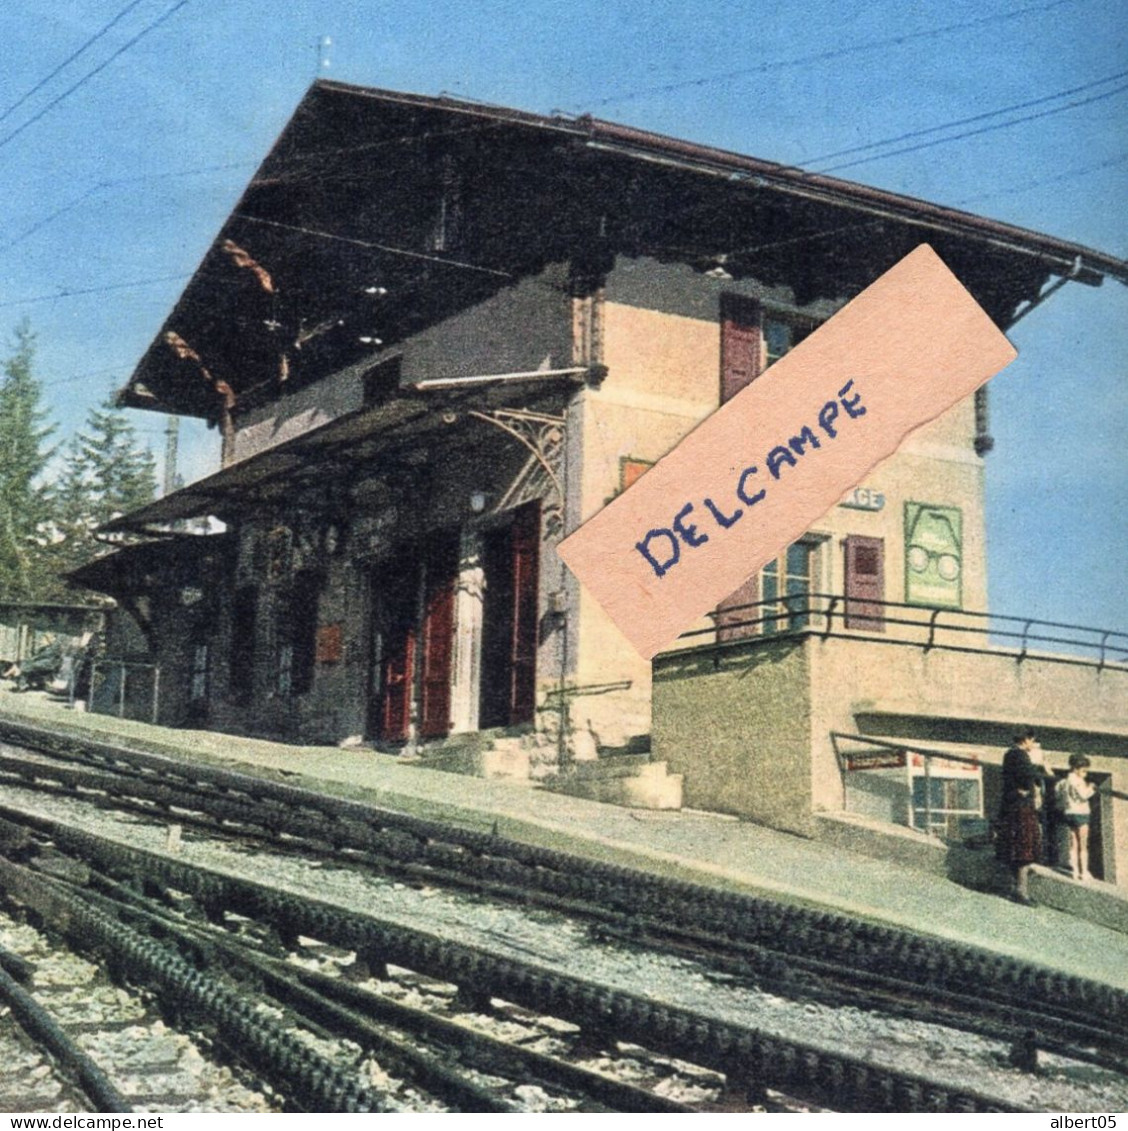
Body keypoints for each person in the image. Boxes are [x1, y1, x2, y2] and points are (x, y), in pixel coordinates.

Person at [996, 729, 1046, 905]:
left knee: (1016, 847)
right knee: (1024, 848)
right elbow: (1028, 777)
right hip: (1022, 807)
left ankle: (1016, 888)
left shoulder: (1008, 754)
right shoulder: (1021, 755)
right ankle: (1021, 891)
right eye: (1032, 740)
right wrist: (1039, 766)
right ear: (1026, 739)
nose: (1033, 744)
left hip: (1012, 806)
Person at [1057, 754, 1096, 882]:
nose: (1085, 774)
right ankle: (1084, 871)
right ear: (1076, 769)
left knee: (1074, 843)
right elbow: (1084, 795)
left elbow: (1058, 793)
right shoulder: (1077, 781)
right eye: (1084, 770)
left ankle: (1075, 871)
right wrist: (1091, 788)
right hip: (1081, 813)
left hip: (1069, 812)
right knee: (1083, 845)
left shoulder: (1064, 782)